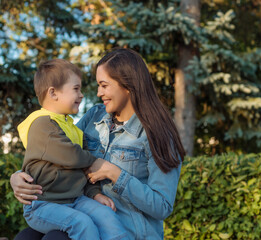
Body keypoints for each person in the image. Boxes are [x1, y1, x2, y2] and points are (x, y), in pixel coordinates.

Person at [11, 48, 186, 240]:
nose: (98, 93)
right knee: (26, 237)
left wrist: (114, 173)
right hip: (84, 219)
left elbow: (162, 206)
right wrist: (19, 176)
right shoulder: (94, 116)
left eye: (104, 85)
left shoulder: (158, 134)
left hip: (124, 232)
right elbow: (57, 151)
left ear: (128, 85)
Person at [16, 59, 128, 240]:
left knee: (106, 216)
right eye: (76, 89)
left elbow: (84, 171)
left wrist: (95, 194)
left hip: (74, 200)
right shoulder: (42, 124)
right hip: (42, 205)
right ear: (53, 93)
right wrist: (96, 161)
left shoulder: (73, 129)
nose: (82, 95)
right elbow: (71, 156)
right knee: (81, 224)